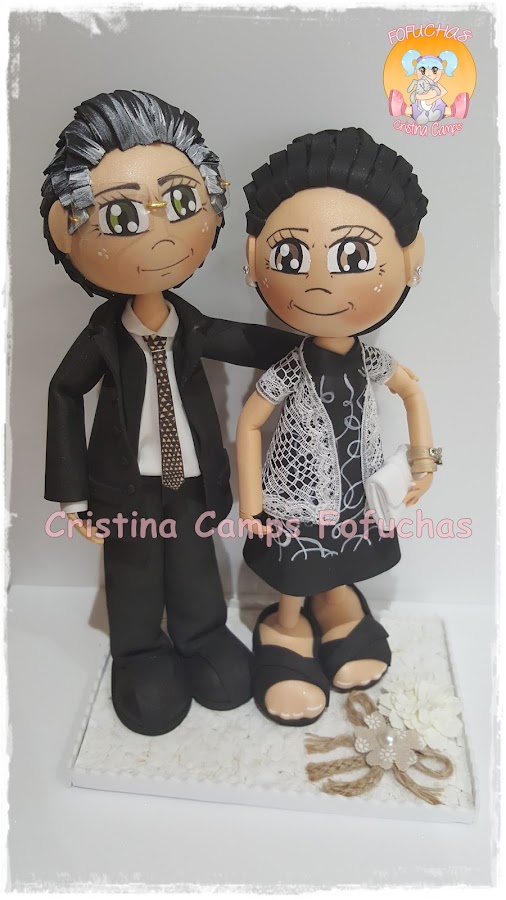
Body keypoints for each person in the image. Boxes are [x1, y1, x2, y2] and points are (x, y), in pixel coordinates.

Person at [42, 90, 299, 736]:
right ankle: (138, 652)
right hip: (124, 487)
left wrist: (307, 345)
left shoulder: (191, 325)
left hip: (191, 486)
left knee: (192, 563)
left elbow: (244, 342)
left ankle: (202, 633)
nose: (158, 233)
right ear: (65, 227)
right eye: (122, 214)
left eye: (181, 202)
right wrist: (73, 497)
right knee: (133, 573)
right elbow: (64, 392)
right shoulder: (104, 335)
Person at [237, 127, 441, 726]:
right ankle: (286, 625)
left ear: (410, 259)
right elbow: (250, 426)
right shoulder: (289, 368)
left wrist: (424, 460)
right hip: (297, 496)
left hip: (360, 487)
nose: (321, 282)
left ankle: (337, 605)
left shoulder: (371, 360)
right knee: (296, 565)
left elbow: (412, 389)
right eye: (291, 258)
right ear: (254, 259)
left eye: (352, 258)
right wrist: (252, 504)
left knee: (344, 557)